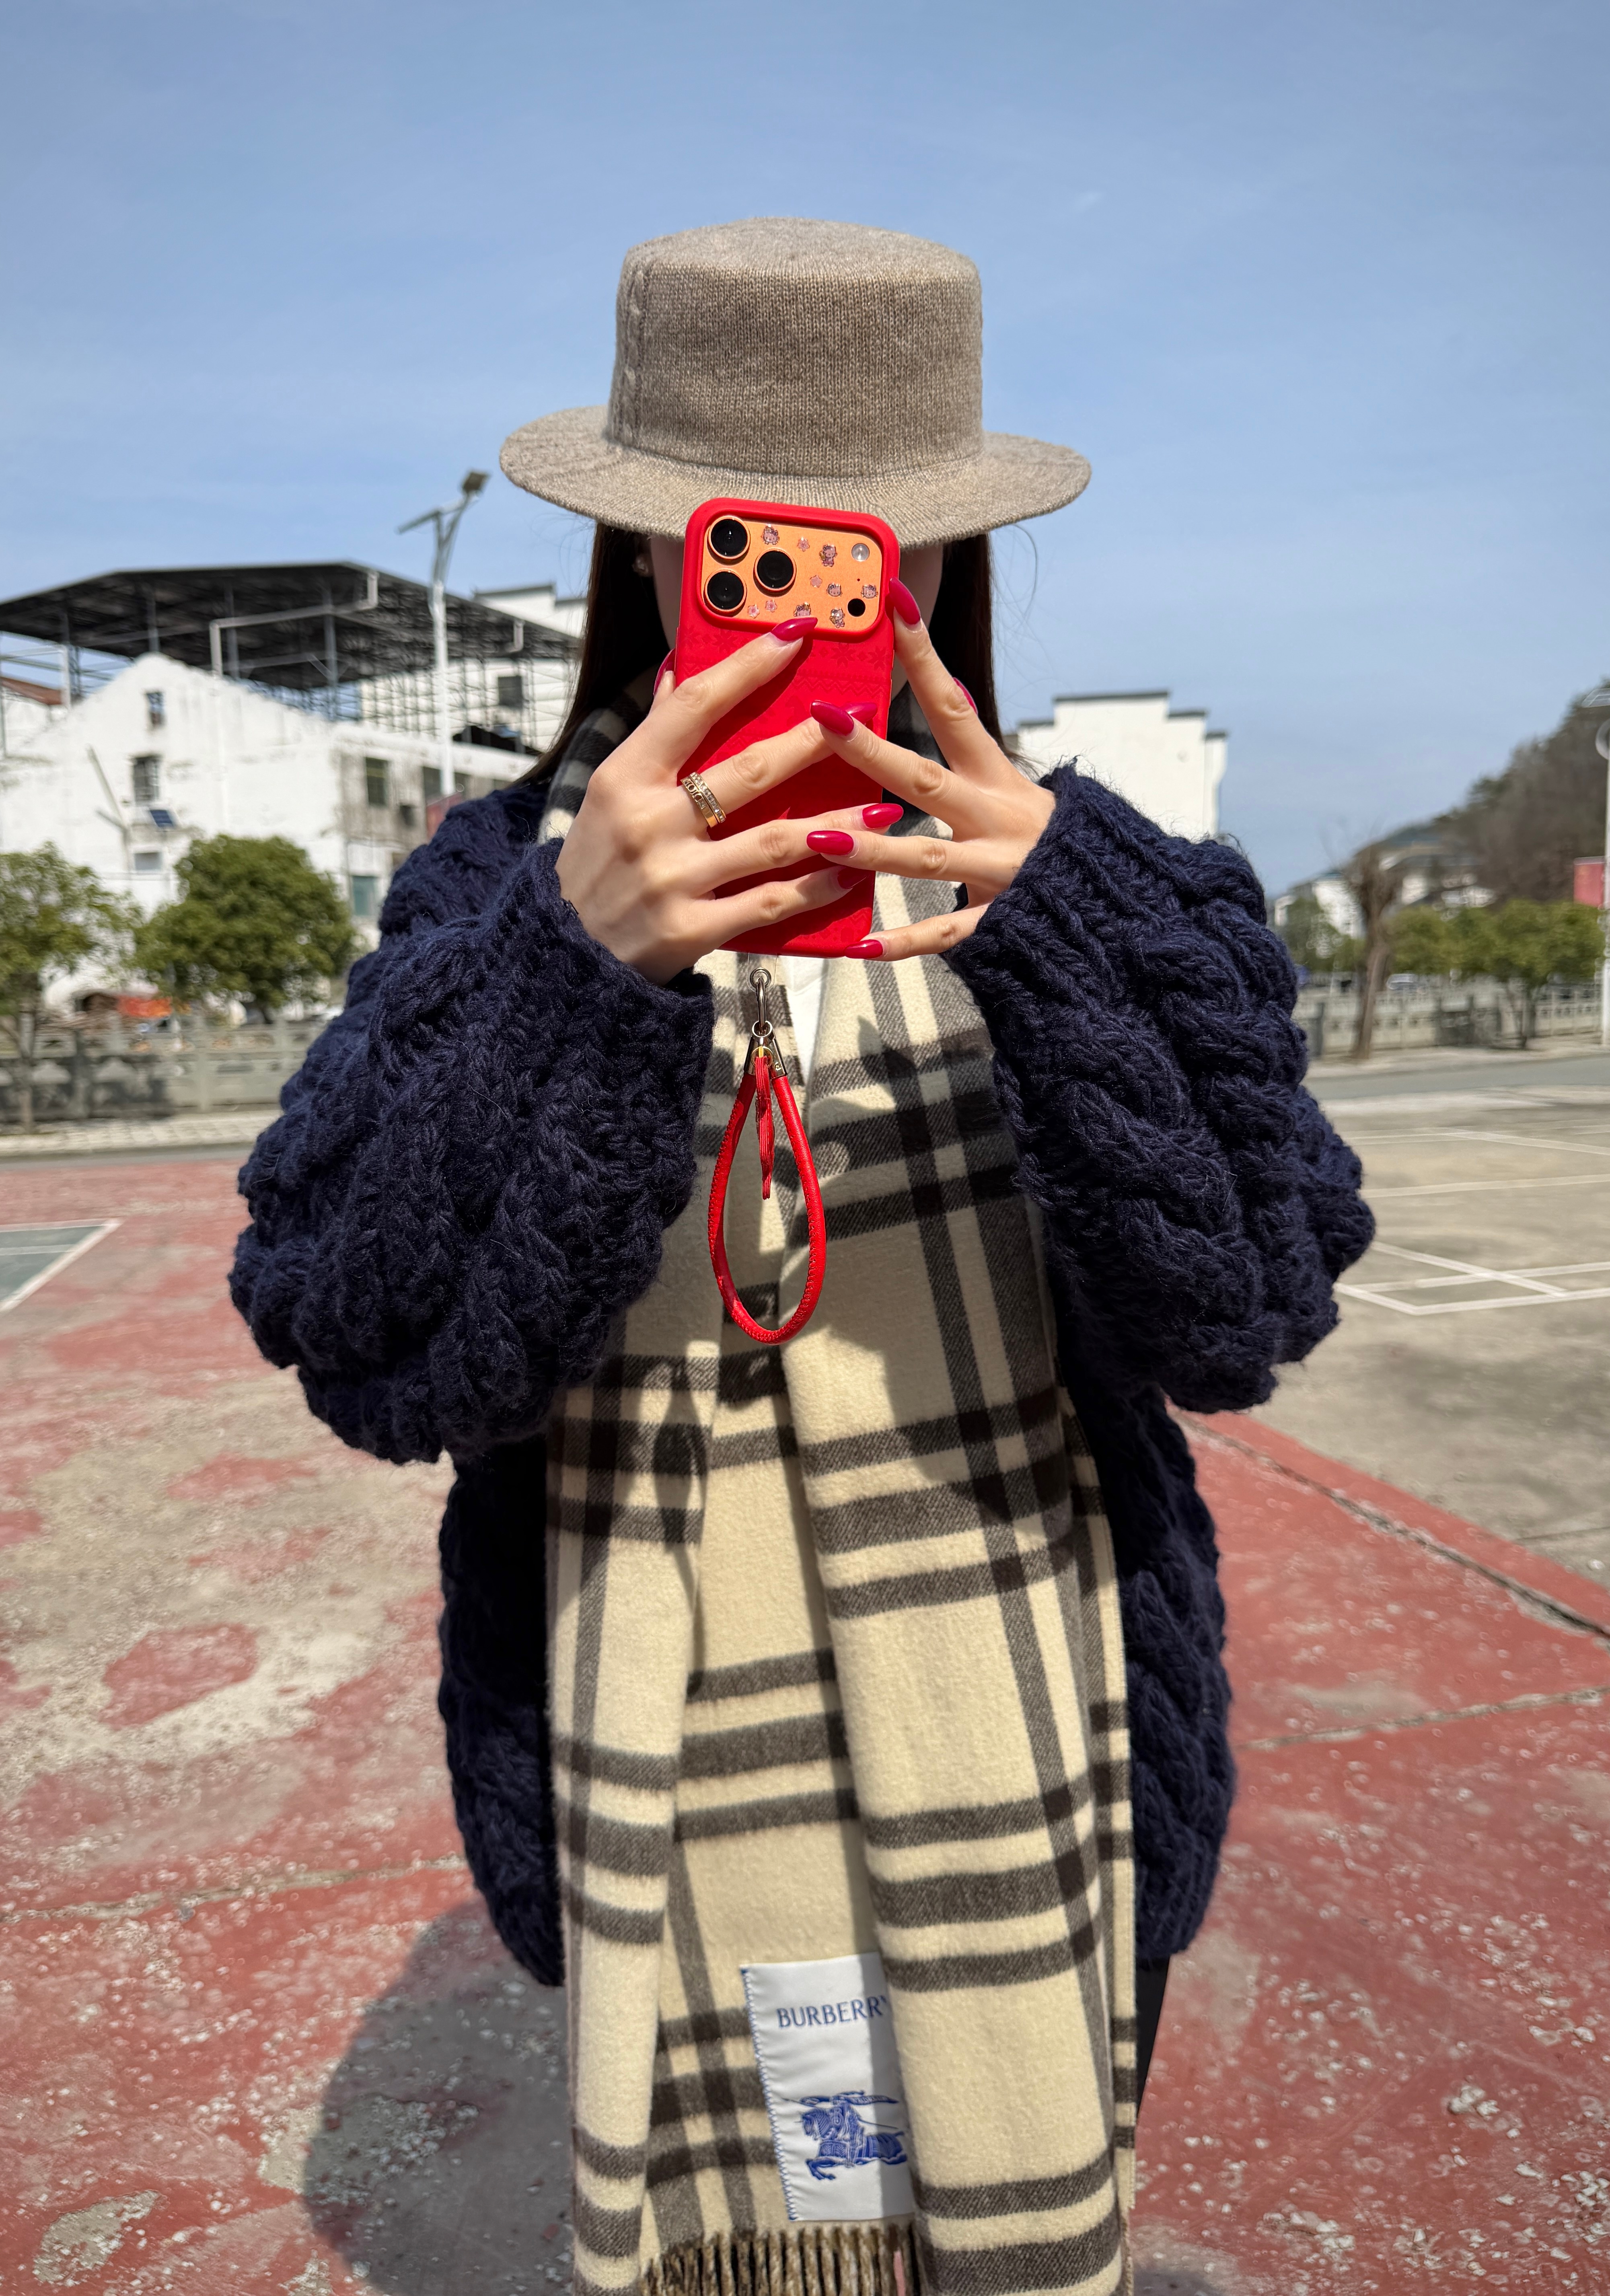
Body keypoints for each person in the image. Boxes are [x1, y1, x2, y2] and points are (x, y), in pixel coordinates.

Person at [232, 219, 1372, 2296]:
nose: (813, 604)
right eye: (748, 549)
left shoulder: (1099, 884)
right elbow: (357, 1337)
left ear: (943, 567)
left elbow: (1248, 1306)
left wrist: (1077, 936)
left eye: (872, 551)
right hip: (653, 1782)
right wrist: (572, 971)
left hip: (1036, 1758)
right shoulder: (501, 895)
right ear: (650, 559)